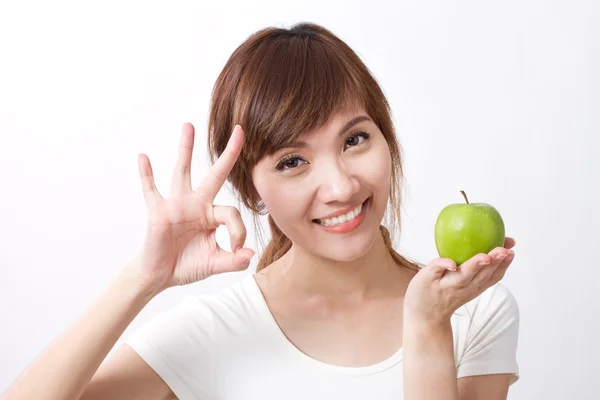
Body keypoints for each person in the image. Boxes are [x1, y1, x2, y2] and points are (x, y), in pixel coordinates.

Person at [2, 22, 519, 400]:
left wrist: (428, 326)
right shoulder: (214, 331)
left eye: (355, 139)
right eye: (293, 161)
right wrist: (144, 277)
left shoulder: (474, 313)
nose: (339, 185)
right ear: (252, 192)